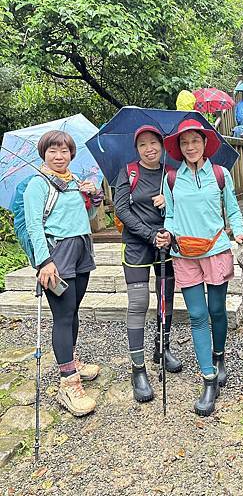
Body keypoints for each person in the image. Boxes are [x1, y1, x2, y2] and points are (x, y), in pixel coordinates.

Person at [156, 119, 243, 416]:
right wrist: (167, 233)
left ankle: (220, 355)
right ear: (179, 147)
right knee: (197, 315)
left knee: (217, 311)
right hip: (184, 253)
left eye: (195, 141)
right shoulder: (172, 178)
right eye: (184, 143)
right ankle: (208, 380)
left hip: (216, 250)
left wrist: (238, 230)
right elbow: (170, 215)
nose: (190, 147)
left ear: (204, 143)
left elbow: (233, 208)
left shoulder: (220, 174)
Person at [24, 130, 104, 417]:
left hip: (82, 248)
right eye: (53, 151)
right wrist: (44, 262)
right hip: (57, 256)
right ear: (44, 154)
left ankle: (71, 360)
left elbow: (90, 218)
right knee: (62, 314)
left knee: (74, 309)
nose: (59, 156)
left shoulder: (74, 183)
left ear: (72, 154)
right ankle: (68, 384)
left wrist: (93, 197)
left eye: (64, 151)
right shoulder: (38, 184)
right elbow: (34, 226)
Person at [114, 125, 182, 403]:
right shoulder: (129, 172)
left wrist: (170, 202)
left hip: (165, 243)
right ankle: (138, 368)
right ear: (137, 149)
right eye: (143, 144)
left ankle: (161, 349)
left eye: (154, 142)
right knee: (139, 303)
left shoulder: (172, 174)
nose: (149, 148)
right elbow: (121, 209)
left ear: (162, 145)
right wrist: (149, 234)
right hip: (137, 246)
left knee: (166, 298)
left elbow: (183, 207)